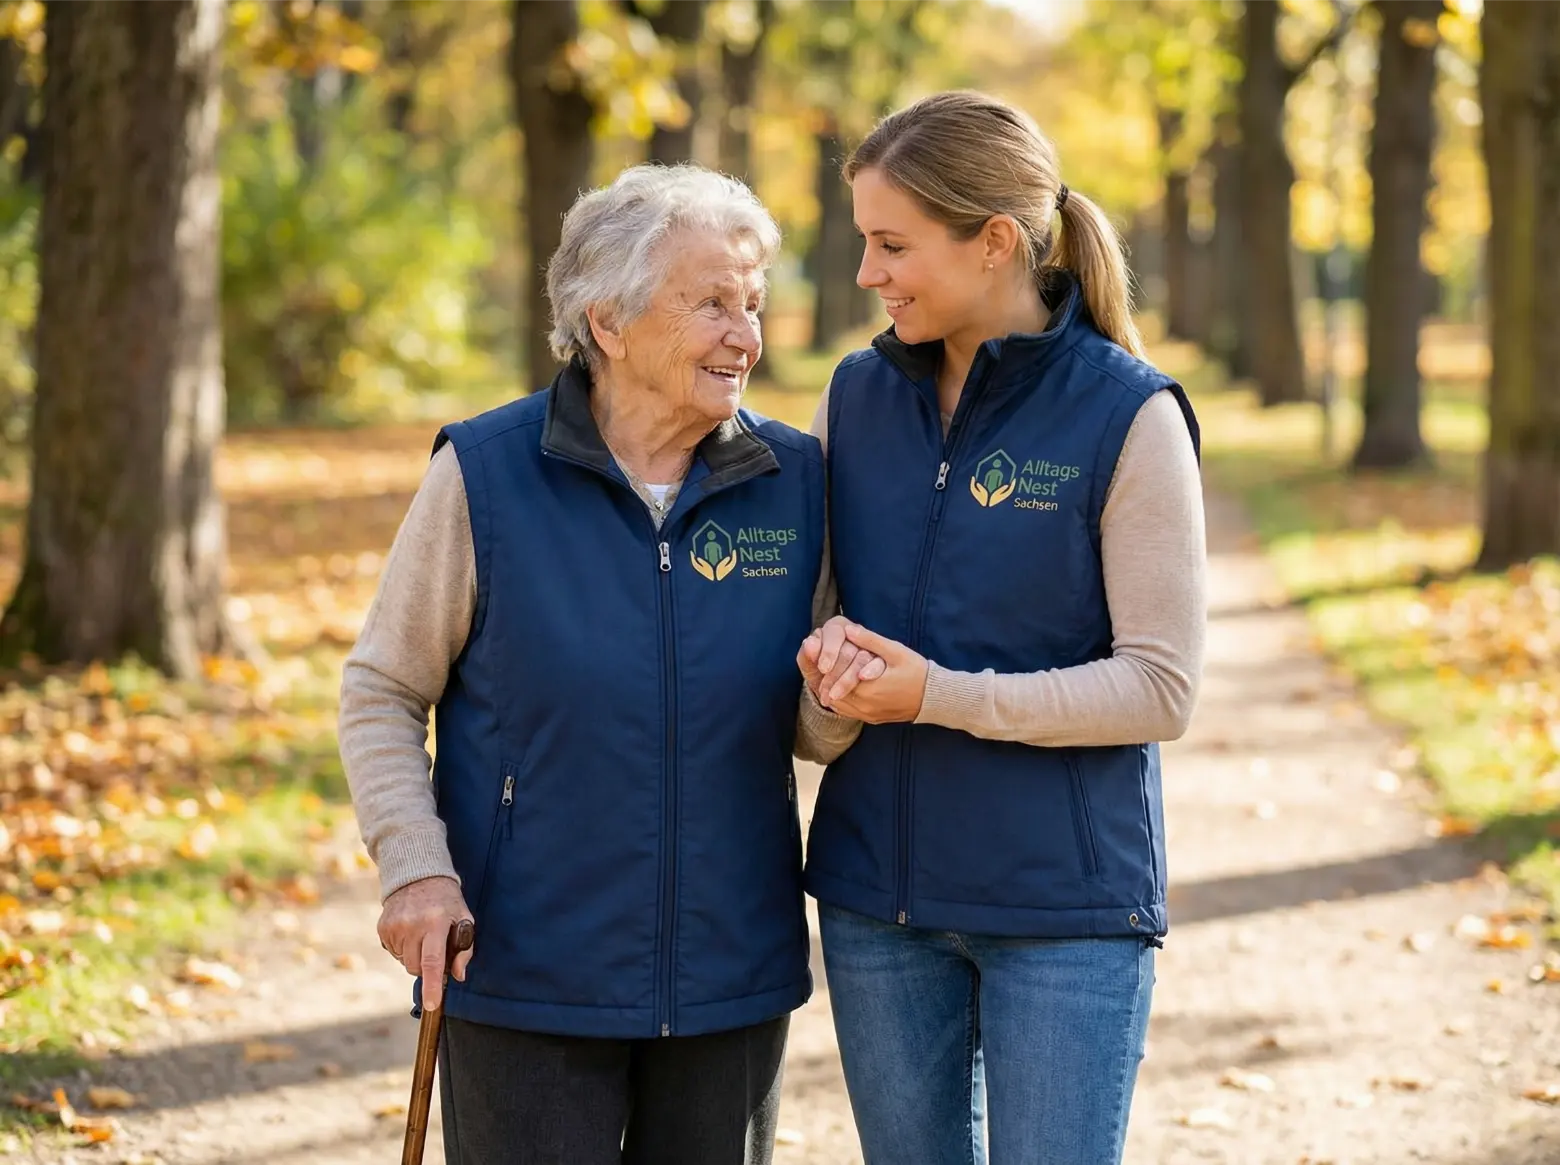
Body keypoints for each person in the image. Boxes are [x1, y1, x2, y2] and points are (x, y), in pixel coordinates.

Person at [338, 163, 864, 1165]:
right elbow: (382, 689)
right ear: (607, 323)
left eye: (752, 304)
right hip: (524, 967)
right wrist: (414, 872)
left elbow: (808, 726)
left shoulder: (798, 483)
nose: (746, 336)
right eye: (711, 302)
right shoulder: (485, 478)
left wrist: (838, 697)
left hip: (730, 972)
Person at [795, 91, 1208, 1165]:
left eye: (893, 244)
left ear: (994, 243)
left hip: (1063, 913)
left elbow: (1161, 688)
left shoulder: (1130, 414)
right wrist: (828, 680)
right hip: (875, 903)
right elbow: (820, 630)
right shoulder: (852, 398)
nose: (867, 274)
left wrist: (941, 694)